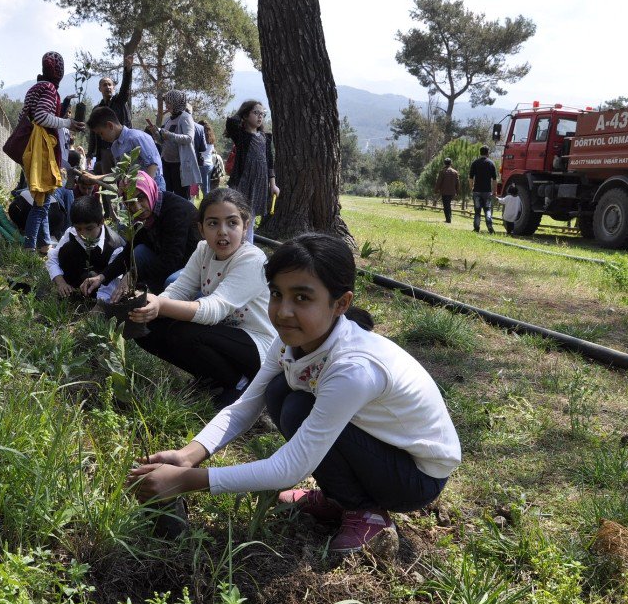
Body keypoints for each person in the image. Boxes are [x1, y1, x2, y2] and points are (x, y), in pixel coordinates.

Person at [127, 233, 461, 553]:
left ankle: (364, 511)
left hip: (415, 477)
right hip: (381, 446)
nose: (283, 311)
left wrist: (186, 479)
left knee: (298, 408)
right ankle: (338, 497)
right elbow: (245, 405)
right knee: (280, 394)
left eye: (302, 297)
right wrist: (188, 455)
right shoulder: (292, 339)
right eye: (276, 294)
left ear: (341, 303)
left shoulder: (354, 368)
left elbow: (290, 467)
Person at [128, 188, 276, 408]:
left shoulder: (252, 259)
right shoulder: (203, 250)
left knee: (185, 332)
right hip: (221, 332)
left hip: (257, 345)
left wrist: (160, 304)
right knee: (145, 327)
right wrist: (152, 306)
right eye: (213, 223)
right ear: (201, 228)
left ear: (246, 226)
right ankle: (210, 376)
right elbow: (180, 289)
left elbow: (213, 309)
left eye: (232, 223)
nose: (222, 232)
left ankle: (238, 382)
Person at [81, 171, 199, 297]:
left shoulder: (175, 211)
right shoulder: (143, 218)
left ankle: (170, 308)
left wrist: (132, 275)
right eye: (131, 202)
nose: (137, 207)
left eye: (141, 198)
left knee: (171, 281)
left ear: (149, 191)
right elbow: (127, 252)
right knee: (138, 252)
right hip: (168, 260)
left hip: (194, 265)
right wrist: (102, 277)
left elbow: (171, 260)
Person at [21, 51, 85, 254]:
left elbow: (33, 114)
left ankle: (44, 244)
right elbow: (41, 116)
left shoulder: (36, 87)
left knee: (44, 201)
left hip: (33, 147)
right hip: (42, 151)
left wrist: (63, 104)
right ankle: (29, 247)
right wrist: (68, 123)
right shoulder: (49, 88)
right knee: (41, 203)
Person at [47, 194, 126, 304]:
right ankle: (71, 290)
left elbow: (112, 282)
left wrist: (100, 304)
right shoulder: (71, 232)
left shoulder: (115, 245)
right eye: (79, 229)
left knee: (94, 277)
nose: (83, 234)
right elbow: (53, 258)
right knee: (67, 249)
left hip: (99, 283)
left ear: (101, 222)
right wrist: (61, 282)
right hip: (76, 276)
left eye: (89, 228)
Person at [225, 100, 279, 243]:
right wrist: (241, 115)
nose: (260, 117)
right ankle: (233, 241)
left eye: (262, 114)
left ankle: (247, 245)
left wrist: (272, 185)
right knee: (235, 213)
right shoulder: (241, 136)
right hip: (242, 181)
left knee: (251, 216)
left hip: (259, 183)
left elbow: (269, 162)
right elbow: (231, 122)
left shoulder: (265, 138)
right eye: (256, 113)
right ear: (246, 115)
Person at [85, 106, 165, 190]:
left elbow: (153, 165)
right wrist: (96, 178)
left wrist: (145, 190)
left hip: (153, 186)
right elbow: (120, 174)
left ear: (110, 125)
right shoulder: (115, 147)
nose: (101, 138)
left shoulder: (136, 138)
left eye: (101, 133)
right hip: (134, 188)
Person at [146, 90, 201, 199]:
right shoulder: (168, 120)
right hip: (167, 163)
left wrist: (169, 135)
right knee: (168, 195)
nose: (167, 105)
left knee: (182, 197)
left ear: (176, 103)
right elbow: (163, 141)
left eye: (169, 103)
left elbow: (189, 138)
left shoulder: (185, 117)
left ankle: (184, 216)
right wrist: (156, 133)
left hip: (179, 165)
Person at [88, 55, 134, 177]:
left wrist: (128, 71)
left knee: (125, 179)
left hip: (122, 147)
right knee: (108, 183)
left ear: (113, 87)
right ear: (99, 89)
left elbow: (125, 89)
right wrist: (89, 154)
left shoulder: (119, 101)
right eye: (105, 85)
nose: (108, 87)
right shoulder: (97, 110)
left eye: (110, 84)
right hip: (105, 152)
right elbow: (93, 134)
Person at [469, 146, 498, 234]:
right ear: (487, 153)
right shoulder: (491, 163)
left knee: (477, 211)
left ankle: (476, 228)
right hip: (487, 191)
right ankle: (490, 228)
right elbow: (494, 180)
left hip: (477, 190)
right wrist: (495, 191)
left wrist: (471, 188)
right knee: (487, 209)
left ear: (480, 152)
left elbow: (470, 178)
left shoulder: (475, 163)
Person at [435, 157, 460, 224]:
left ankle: (448, 219)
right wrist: (457, 191)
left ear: (444, 163)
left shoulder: (442, 171)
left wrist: (436, 190)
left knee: (446, 205)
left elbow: (439, 182)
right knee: (448, 204)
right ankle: (449, 218)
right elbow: (458, 182)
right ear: (451, 163)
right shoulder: (455, 172)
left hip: (444, 191)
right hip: (452, 192)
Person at [197, 120, 216, 197]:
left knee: (205, 189)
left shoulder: (201, 138)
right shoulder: (211, 138)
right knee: (207, 187)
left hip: (203, 165)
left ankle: (207, 205)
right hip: (210, 164)